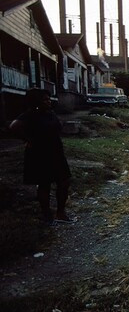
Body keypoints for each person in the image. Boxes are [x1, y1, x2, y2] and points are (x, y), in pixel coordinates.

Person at [10, 88, 75, 226]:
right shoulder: (30, 114)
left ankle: (60, 213)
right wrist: (28, 140)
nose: (48, 101)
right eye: (45, 99)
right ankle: (47, 215)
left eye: (48, 98)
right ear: (37, 102)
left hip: (56, 152)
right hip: (40, 153)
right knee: (44, 184)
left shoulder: (50, 113)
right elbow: (13, 127)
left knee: (64, 181)